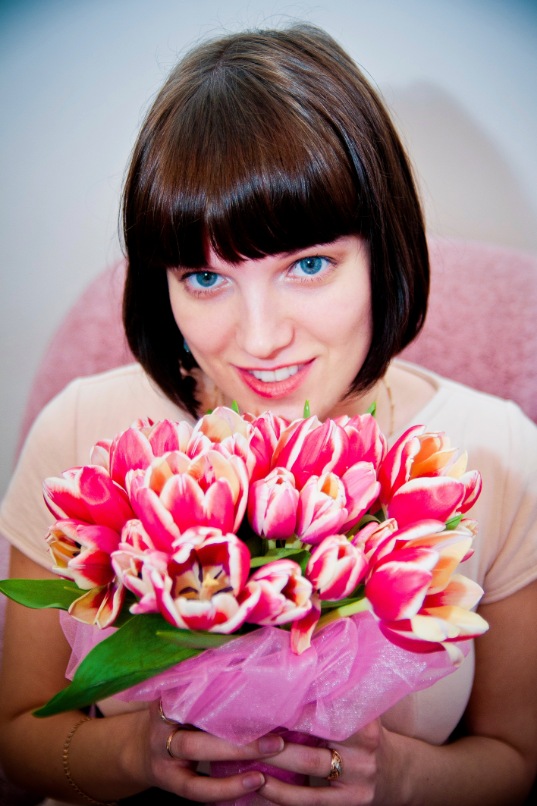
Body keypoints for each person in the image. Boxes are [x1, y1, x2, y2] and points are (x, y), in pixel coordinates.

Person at [0, 22, 536, 806]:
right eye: (204, 278)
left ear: (383, 250)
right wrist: (136, 755)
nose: (259, 339)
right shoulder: (84, 435)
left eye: (308, 265)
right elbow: (19, 734)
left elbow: (516, 758)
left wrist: (399, 777)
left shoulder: (493, 456)